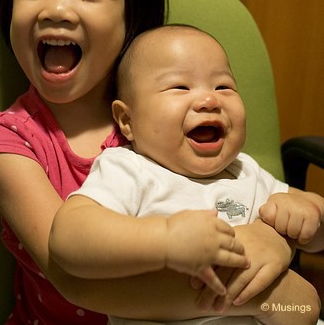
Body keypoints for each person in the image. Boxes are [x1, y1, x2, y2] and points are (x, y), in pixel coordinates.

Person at [0, 0, 317, 325]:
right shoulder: (7, 142)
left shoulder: (169, 118)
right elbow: (73, 279)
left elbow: (240, 199)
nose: (57, 8)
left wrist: (274, 237)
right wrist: (261, 293)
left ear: (132, 19)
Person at [49, 25, 323, 324]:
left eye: (224, 87)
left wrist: (308, 213)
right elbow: (67, 237)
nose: (210, 100)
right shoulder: (130, 170)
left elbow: (317, 235)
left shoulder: (246, 171)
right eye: (180, 87)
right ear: (128, 120)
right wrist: (165, 240)